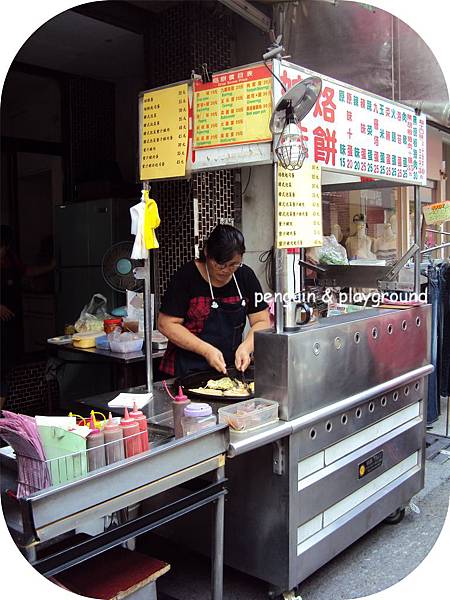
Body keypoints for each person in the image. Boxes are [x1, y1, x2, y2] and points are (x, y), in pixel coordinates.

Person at [158, 224, 270, 378]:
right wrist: (206, 350)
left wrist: (246, 347)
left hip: (230, 370)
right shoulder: (186, 277)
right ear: (207, 253)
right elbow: (166, 324)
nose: (226, 270)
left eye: (233, 265)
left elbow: (262, 321)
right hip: (187, 371)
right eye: (220, 264)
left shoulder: (245, 276)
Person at [0, 225, 54, 410]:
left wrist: (51, 266)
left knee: (6, 369)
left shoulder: (11, 262)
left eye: (4, 247)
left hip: (11, 325)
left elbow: (27, 272)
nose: (2, 251)